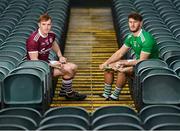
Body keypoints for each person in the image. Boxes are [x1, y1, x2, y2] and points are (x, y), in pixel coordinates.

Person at [26, 13, 86, 101]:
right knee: (69, 69)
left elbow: (54, 44)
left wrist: (60, 56)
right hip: (37, 68)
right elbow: (34, 61)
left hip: (46, 63)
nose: (46, 27)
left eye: (48, 24)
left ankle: (64, 90)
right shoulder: (33, 40)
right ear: (39, 25)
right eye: (44, 24)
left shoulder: (51, 34)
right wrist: (51, 65)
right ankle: (68, 93)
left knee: (74, 67)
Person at [99, 12, 159, 101]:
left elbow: (142, 61)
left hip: (149, 66)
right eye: (130, 22)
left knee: (122, 69)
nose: (132, 24)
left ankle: (115, 96)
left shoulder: (146, 39)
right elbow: (119, 53)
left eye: (135, 22)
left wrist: (123, 62)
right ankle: (106, 94)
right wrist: (106, 63)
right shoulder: (130, 36)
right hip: (138, 62)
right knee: (109, 67)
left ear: (141, 23)